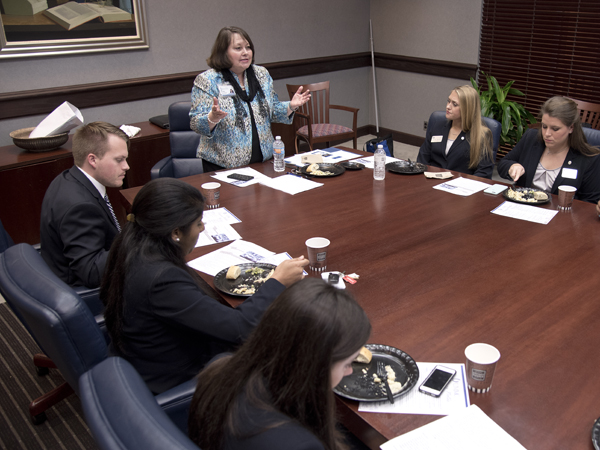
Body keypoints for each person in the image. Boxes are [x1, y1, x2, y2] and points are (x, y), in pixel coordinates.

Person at [101, 178, 308, 394]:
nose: (203, 228)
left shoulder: (132, 243)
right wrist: (277, 282)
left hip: (147, 355)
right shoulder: (161, 279)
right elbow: (240, 328)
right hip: (176, 378)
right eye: (198, 223)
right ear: (175, 233)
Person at [188, 277, 371, 450]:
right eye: (347, 363)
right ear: (314, 367)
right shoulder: (298, 445)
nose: (348, 372)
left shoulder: (219, 368)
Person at [190, 26, 311, 172]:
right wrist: (212, 118)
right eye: (238, 48)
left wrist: (291, 106)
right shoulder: (208, 80)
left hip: (263, 161)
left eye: (248, 47)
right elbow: (196, 124)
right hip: (224, 166)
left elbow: (273, 111)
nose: (245, 52)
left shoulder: (261, 74)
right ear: (223, 52)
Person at [40, 122, 129, 288]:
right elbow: (91, 273)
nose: (126, 166)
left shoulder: (68, 177)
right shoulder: (80, 207)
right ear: (93, 159)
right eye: (119, 160)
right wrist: (136, 244)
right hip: (85, 292)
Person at [497, 96, 600, 203]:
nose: (547, 134)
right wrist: (512, 166)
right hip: (522, 207)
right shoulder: (531, 138)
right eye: (544, 126)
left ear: (571, 128)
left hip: (561, 215)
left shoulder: (588, 159)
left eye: (555, 129)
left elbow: (591, 202)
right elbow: (503, 164)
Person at [417, 85, 494, 178]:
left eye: (454, 104)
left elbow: (484, 173)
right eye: (448, 101)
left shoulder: (481, 135)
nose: (448, 107)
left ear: (467, 109)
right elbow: (422, 159)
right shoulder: (437, 125)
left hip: (461, 187)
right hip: (431, 181)